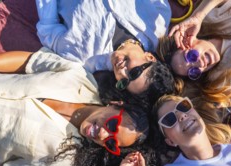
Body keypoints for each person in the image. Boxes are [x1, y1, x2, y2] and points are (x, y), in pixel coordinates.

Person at [0, 47, 149, 166]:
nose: (102, 135)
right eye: (112, 125)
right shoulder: (82, 78)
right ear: (116, 104)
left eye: (111, 143)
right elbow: (29, 62)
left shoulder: (63, 161)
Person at [35, 0, 178, 100]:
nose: (122, 71)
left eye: (123, 82)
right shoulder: (158, 22)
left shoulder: (83, 55)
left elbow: (48, 28)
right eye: (134, 73)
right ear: (150, 58)